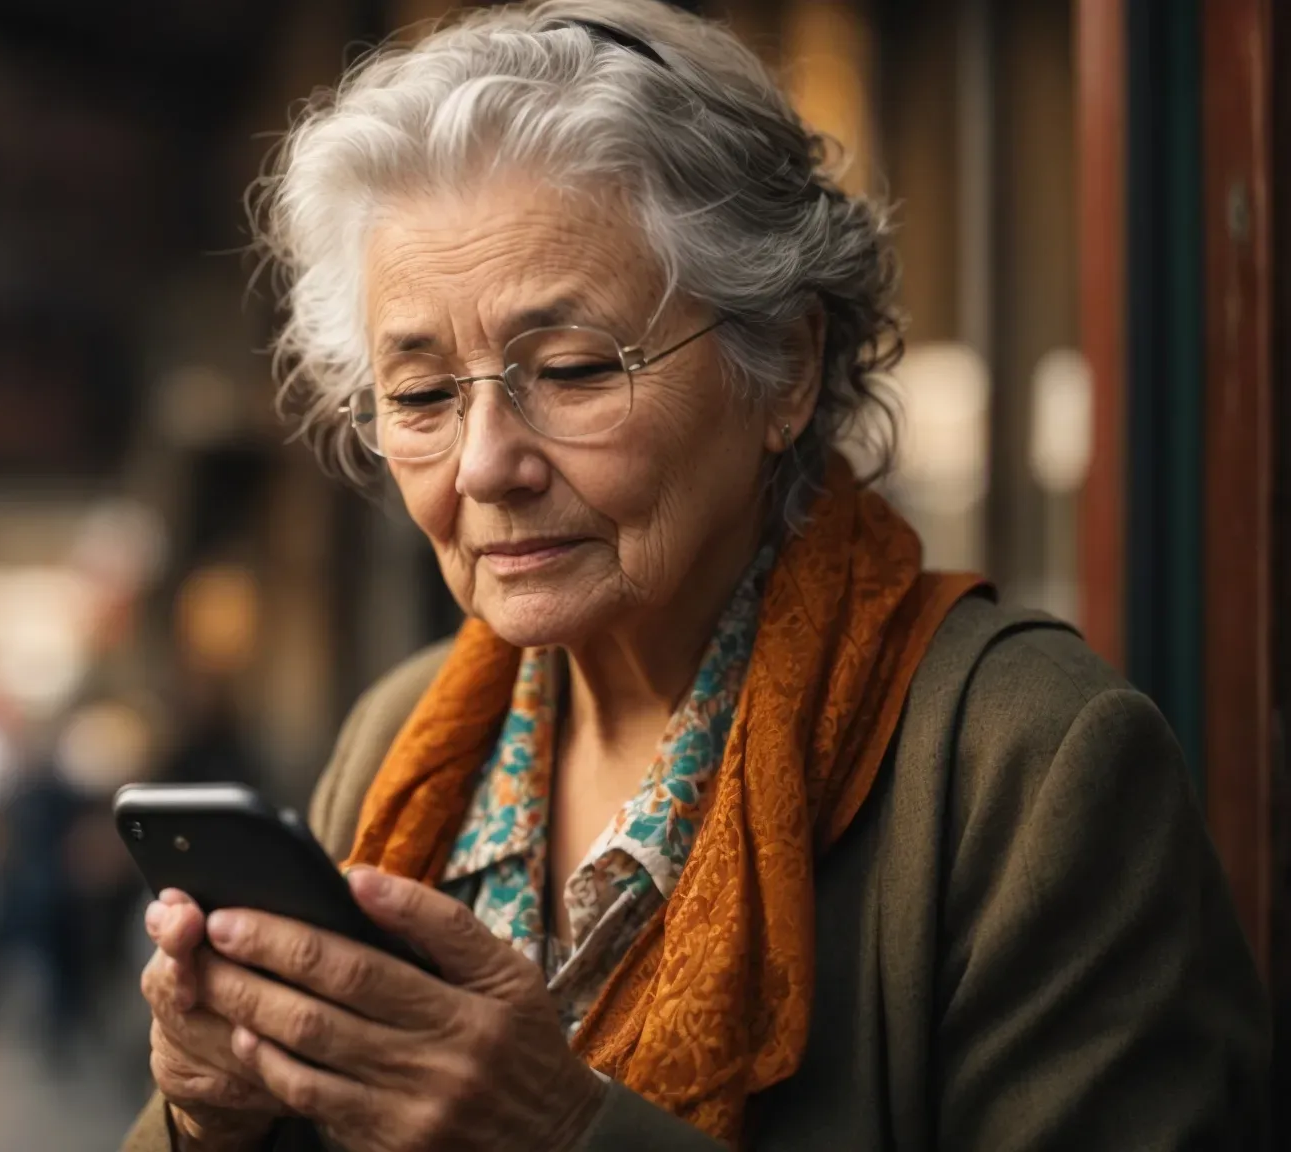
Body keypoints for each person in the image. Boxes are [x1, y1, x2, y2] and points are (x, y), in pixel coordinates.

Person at [124, 3, 1269, 1150]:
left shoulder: (1026, 772)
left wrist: (567, 1133)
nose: (483, 466)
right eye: (421, 396)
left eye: (570, 370)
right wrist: (211, 1119)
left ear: (786, 368)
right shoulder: (402, 738)